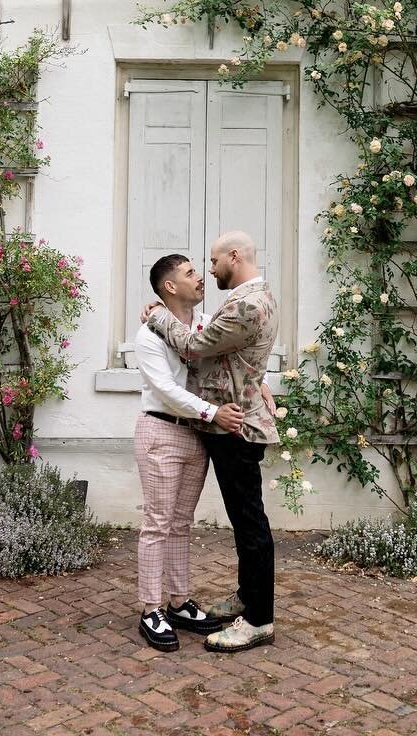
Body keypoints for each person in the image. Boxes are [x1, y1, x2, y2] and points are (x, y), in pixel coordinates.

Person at [144, 230, 280, 654]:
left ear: (234, 257)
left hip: (234, 427)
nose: (209, 269)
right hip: (227, 423)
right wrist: (257, 383)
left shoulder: (245, 304)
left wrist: (157, 316)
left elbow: (197, 344)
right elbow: (235, 356)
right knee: (243, 521)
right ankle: (246, 597)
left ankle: (258, 619)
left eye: (214, 260)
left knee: (249, 522)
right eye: (197, 267)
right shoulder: (254, 299)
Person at [131, 253, 242, 651]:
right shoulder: (148, 336)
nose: (200, 277)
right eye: (191, 272)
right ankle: (150, 609)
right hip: (160, 430)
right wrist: (214, 412)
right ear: (169, 287)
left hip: (196, 436)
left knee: (181, 522)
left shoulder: (205, 325)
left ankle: (178, 602)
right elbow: (166, 390)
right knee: (158, 523)